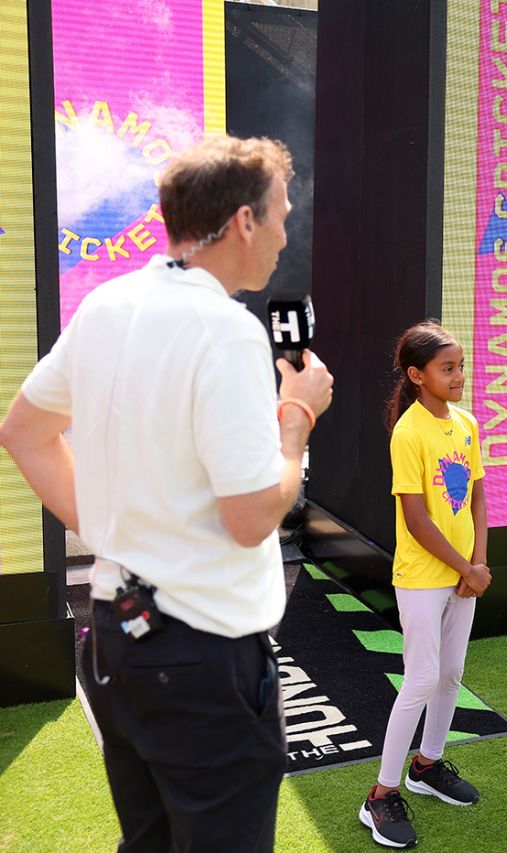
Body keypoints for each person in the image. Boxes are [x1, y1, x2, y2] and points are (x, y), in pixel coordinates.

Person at [0, 135, 333, 851]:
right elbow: (251, 517)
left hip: (117, 635)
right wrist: (298, 418)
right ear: (243, 221)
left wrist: (121, 533)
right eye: (280, 213)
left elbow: (24, 432)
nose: (285, 231)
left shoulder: (108, 302)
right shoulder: (227, 331)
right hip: (201, 655)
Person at [360, 321, 490, 849]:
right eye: (447, 368)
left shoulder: (466, 424)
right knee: (421, 678)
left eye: (460, 366)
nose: (459, 375)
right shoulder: (408, 432)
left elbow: (478, 499)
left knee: (452, 673)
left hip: (464, 575)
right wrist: (465, 567)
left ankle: (427, 766)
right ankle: (381, 795)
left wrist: (477, 565)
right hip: (423, 578)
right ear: (417, 376)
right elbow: (416, 520)